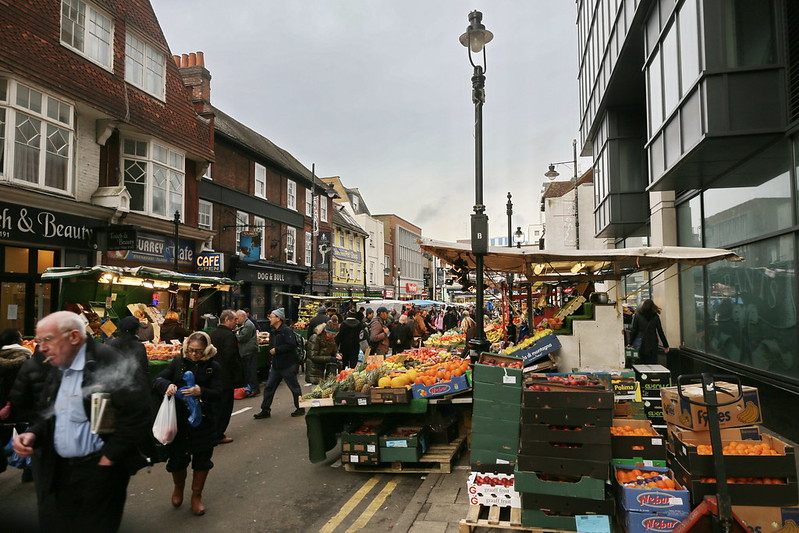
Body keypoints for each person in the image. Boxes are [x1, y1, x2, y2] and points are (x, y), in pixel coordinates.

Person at [12, 311, 151, 533]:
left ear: (74, 337)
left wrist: (110, 458)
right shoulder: (56, 365)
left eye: (48, 339)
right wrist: (35, 433)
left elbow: (139, 411)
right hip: (56, 471)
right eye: (38, 341)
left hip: (97, 472)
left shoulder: (109, 361)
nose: (41, 348)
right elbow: (51, 412)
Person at [153, 331, 222, 516]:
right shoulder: (178, 363)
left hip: (203, 422)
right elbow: (158, 379)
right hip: (179, 421)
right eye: (191, 350)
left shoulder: (213, 367)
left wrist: (202, 391)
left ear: (207, 350)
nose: (194, 354)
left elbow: (220, 393)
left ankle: (196, 496)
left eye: (198, 351)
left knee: (202, 460)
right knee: (177, 459)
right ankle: (178, 488)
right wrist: (167, 386)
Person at [253, 308, 304, 419]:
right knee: (269, 387)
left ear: (278, 318)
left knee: (294, 387)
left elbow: (291, 345)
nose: (269, 319)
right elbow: (271, 345)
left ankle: (300, 407)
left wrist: (277, 350)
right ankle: (265, 410)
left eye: (271, 317)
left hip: (287, 365)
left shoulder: (286, 330)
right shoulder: (273, 331)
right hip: (276, 365)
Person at [0, 329, 31, 474]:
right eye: (20, 337)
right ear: (17, 340)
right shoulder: (26, 357)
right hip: (21, 404)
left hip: (1, 406)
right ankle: (28, 470)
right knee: (27, 437)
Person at [209, 309, 241, 444]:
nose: (236, 322)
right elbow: (230, 357)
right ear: (227, 320)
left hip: (213, 377)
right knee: (225, 407)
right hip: (226, 377)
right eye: (234, 320)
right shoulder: (229, 336)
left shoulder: (212, 334)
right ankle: (219, 434)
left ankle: (212, 432)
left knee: (215, 407)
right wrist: (238, 373)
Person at [628, 299, 669, 364]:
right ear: (653, 306)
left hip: (641, 344)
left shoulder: (638, 316)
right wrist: (666, 346)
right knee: (653, 364)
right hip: (653, 344)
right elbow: (660, 331)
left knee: (641, 364)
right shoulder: (655, 317)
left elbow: (634, 331)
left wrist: (630, 343)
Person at [235, 309, 260, 397]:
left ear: (242, 317)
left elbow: (242, 337)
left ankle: (254, 388)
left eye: (237, 318)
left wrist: (233, 335)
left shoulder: (248, 325)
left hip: (249, 351)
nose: (236, 320)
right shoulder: (244, 324)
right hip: (246, 351)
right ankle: (250, 387)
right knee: (247, 371)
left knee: (251, 371)